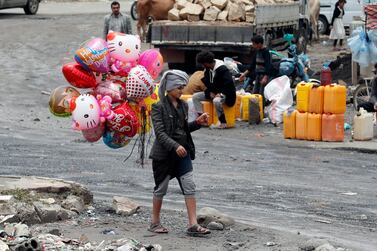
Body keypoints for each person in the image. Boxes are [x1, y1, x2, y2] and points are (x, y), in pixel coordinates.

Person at [149, 70, 211, 237]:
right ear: (169, 88)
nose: (182, 90)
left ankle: (193, 224)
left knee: (189, 186)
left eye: (183, 87)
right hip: (164, 155)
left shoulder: (183, 105)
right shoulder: (158, 107)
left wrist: (197, 123)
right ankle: (154, 223)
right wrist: (175, 146)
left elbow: (183, 130)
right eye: (178, 87)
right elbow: (160, 134)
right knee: (161, 188)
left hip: (182, 154)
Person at [192, 51, 236, 129]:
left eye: (203, 64)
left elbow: (229, 85)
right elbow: (209, 85)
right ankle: (202, 119)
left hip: (227, 94)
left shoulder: (222, 69)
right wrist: (210, 92)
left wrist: (221, 94)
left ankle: (223, 122)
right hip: (214, 92)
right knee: (195, 97)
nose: (202, 66)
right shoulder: (207, 70)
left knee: (216, 100)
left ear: (207, 63)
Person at [239, 35, 272, 100]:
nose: (253, 46)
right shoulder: (257, 52)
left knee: (261, 95)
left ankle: (261, 109)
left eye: (254, 44)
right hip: (258, 75)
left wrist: (265, 77)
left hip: (263, 76)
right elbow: (252, 65)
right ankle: (255, 109)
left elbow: (268, 65)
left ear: (259, 44)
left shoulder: (266, 52)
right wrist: (244, 74)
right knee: (255, 93)